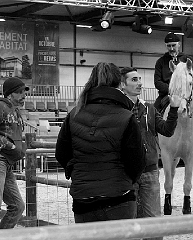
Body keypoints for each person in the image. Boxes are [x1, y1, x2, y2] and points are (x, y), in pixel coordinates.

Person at [55, 62, 146, 223]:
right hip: (119, 197)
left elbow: (61, 153)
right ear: (119, 84)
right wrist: (127, 180)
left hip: (83, 198)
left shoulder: (74, 114)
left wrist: (74, 171)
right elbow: (137, 160)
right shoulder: (126, 116)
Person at [120, 67, 182, 240]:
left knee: (154, 223)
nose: (139, 83)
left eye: (140, 79)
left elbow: (167, 130)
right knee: (128, 224)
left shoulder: (149, 109)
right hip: (125, 174)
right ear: (122, 85)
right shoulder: (117, 110)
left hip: (149, 171)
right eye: (134, 80)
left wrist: (174, 109)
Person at [0, 77, 29, 230]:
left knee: (17, 207)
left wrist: (19, 149)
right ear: (9, 94)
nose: (23, 96)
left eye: (24, 92)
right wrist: (10, 146)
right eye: (19, 92)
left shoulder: (14, 111)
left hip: (5, 163)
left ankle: (0, 236)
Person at [154, 32, 187, 112]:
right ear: (166, 46)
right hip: (166, 95)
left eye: (173, 45)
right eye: (169, 46)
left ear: (179, 44)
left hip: (186, 94)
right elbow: (157, 82)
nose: (171, 48)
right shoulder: (160, 62)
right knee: (153, 113)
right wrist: (171, 90)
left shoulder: (187, 60)